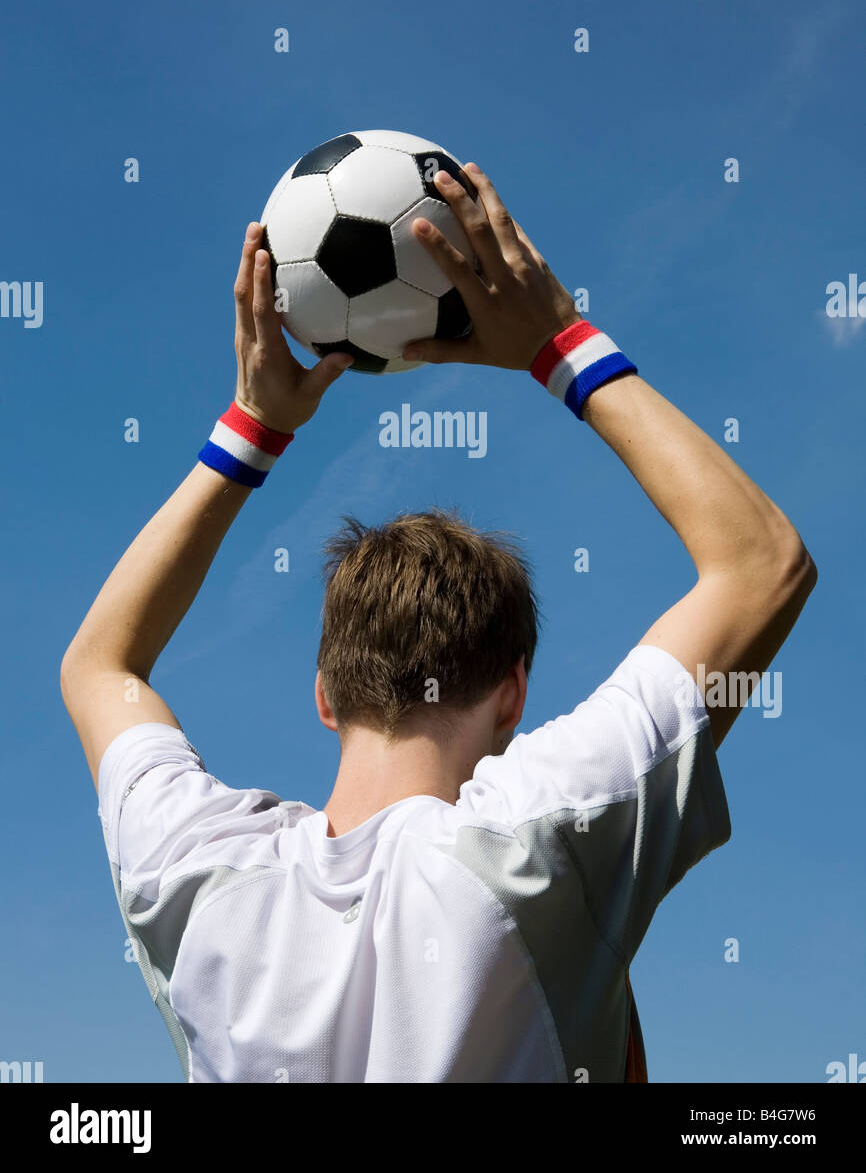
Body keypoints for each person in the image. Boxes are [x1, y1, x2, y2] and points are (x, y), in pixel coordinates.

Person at [60, 162, 817, 1083]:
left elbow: (100, 667)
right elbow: (762, 562)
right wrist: (556, 341)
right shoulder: (546, 834)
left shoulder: (196, 871)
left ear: (326, 695)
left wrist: (254, 424)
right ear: (512, 694)